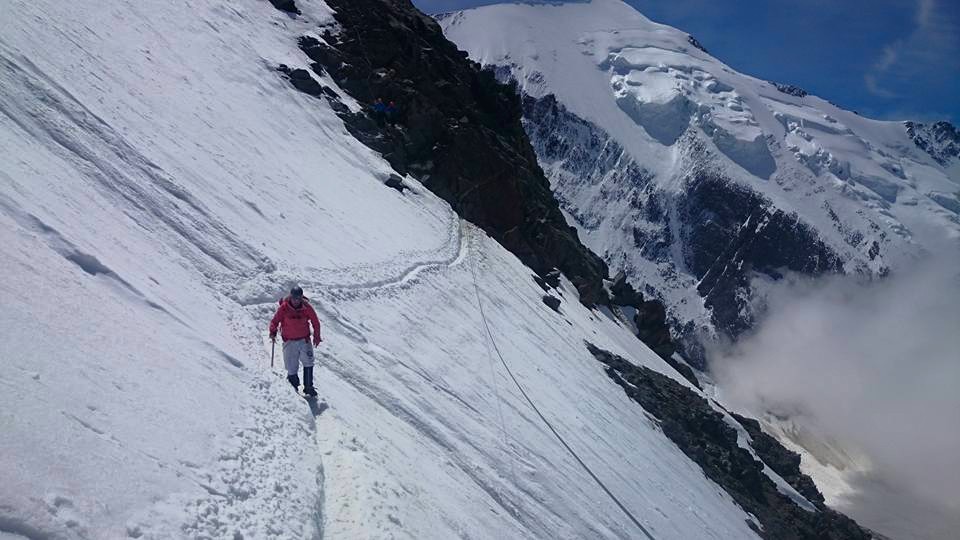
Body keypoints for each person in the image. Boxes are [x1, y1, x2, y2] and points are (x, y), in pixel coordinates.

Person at [269, 286, 322, 397]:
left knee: (309, 362)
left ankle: (308, 387)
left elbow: (315, 322)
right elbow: (274, 321)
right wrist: (273, 331)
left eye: (298, 298)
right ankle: (294, 386)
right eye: (294, 298)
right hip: (289, 341)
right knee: (291, 366)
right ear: (291, 297)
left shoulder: (307, 307)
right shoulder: (284, 308)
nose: (296, 301)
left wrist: (316, 336)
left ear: (301, 298)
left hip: (304, 339)